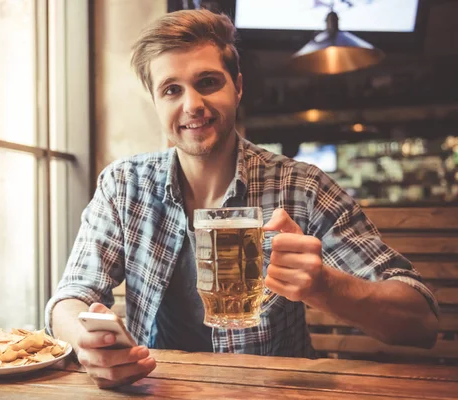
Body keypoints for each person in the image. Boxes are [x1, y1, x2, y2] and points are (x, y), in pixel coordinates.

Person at [45, 9, 439, 389]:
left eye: (208, 82)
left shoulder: (300, 186)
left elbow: (420, 322)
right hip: (157, 388)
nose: (192, 105)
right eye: (171, 90)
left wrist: (324, 287)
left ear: (238, 86)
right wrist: (84, 343)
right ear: (155, 102)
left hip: (271, 391)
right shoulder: (124, 185)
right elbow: (70, 296)